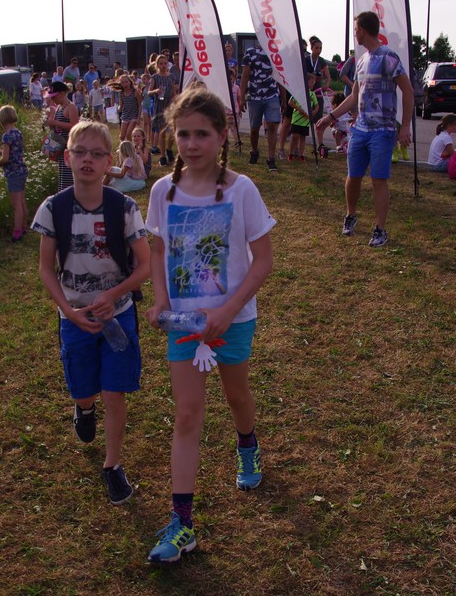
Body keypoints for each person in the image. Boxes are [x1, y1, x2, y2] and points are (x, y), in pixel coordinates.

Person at [144, 86, 275, 564]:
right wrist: (161, 300)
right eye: (183, 134)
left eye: (202, 133)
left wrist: (227, 310)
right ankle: (182, 523)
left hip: (232, 320)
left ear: (222, 136)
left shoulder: (242, 190)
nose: (192, 143)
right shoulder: (163, 191)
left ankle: (247, 443)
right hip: (184, 324)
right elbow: (157, 249)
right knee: (187, 414)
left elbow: (263, 261)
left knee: (237, 397)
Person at [31, 121, 150, 506]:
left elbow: (145, 265)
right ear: (67, 157)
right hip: (75, 319)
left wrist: (114, 294)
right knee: (84, 389)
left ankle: (112, 465)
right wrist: (69, 310)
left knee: (114, 392)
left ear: (108, 162)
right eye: (80, 152)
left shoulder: (124, 208)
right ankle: (83, 409)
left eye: (97, 154)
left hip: (119, 316)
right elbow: (46, 269)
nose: (87, 160)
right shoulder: (54, 208)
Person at [315, 11, 413, 248]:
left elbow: (408, 91)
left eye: (356, 29)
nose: (354, 34)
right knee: (353, 176)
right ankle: (350, 215)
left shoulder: (389, 57)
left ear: (363, 30)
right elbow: (353, 97)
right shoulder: (361, 61)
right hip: (360, 130)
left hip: (383, 131)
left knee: (379, 180)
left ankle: (380, 229)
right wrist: (330, 117)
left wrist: (405, 126)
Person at [239, 41, 281, 172]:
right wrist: (242, 97)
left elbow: (281, 77)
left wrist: (284, 100)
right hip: (254, 96)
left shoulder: (276, 53)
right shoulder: (250, 53)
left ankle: (271, 158)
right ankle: (254, 151)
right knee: (254, 128)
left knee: (272, 125)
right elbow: (245, 75)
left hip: (272, 95)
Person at [0, 105, 29, 242]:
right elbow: (14, 152)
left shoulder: (6, 136)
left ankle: (17, 231)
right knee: (22, 202)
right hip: (22, 170)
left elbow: (6, 158)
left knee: (16, 205)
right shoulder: (18, 133)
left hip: (13, 172)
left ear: (1, 119)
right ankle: (24, 227)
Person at [45, 81, 80, 192]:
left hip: (69, 146)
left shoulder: (71, 107)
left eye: (54, 96)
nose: (52, 99)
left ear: (62, 94)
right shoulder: (59, 107)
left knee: (68, 177)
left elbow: (75, 126)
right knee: (63, 177)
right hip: (60, 147)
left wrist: (55, 122)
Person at [148, 54, 177, 166]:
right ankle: (163, 156)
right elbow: (149, 92)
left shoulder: (171, 76)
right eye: (161, 64)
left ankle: (169, 149)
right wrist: (156, 91)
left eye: (165, 63)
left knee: (173, 130)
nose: (164, 66)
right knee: (162, 132)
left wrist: (174, 101)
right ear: (157, 65)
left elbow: (174, 93)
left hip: (170, 106)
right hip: (159, 106)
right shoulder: (154, 77)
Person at [288, 72, 322, 161]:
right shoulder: (298, 92)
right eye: (311, 82)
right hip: (297, 119)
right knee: (295, 136)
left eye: (314, 83)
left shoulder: (312, 94)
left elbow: (317, 106)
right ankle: (290, 153)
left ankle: (301, 154)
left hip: (306, 120)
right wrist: (299, 109)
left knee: (303, 137)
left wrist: (312, 113)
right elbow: (290, 102)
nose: (313, 84)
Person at [117, 74, 141, 142]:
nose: (125, 84)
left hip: (134, 115)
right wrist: (118, 109)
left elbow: (140, 105)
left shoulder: (135, 92)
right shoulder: (121, 93)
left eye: (126, 82)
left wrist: (138, 118)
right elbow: (121, 105)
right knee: (122, 136)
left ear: (130, 82)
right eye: (122, 82)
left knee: (128, 134)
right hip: (125, 115)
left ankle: (131, 147)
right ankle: (123, 147)